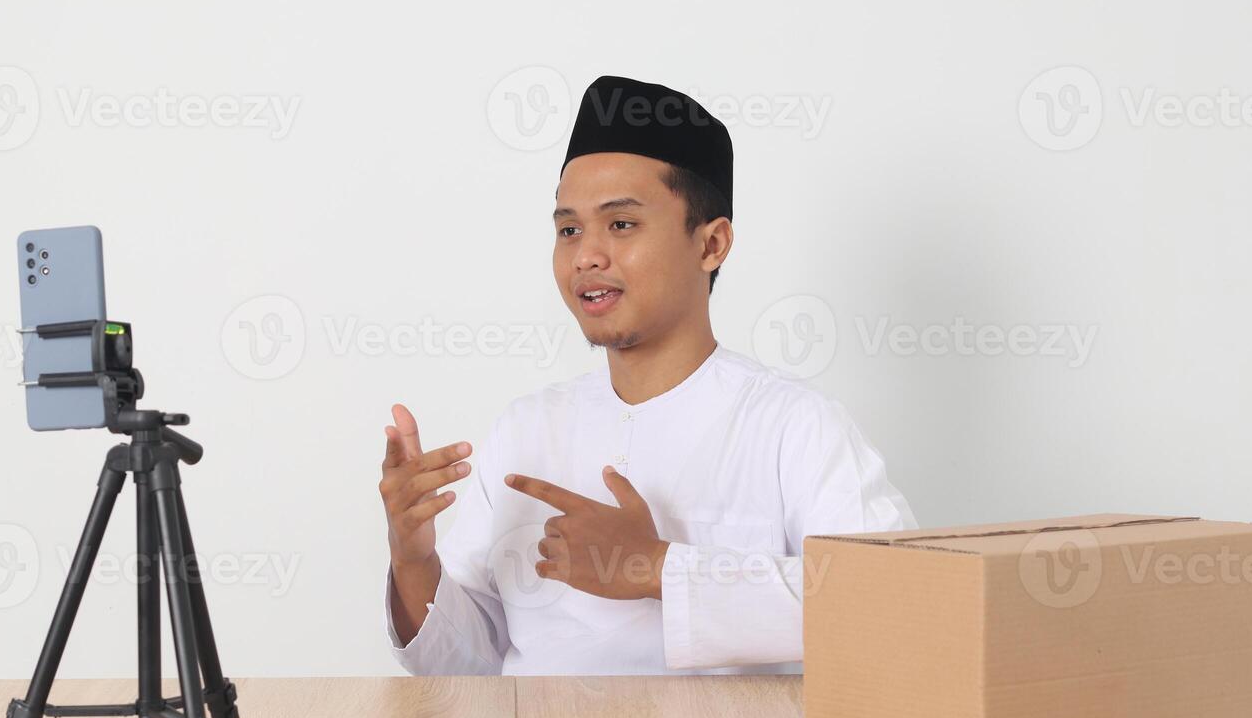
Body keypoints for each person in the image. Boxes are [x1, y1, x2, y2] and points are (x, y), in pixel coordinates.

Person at [380, 75, 915, 675]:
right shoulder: (525, 430)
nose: (586, 255)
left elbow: (894, 607)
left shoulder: (795, 426)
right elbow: (465, 670)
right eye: (568, 229)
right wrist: (413, 555)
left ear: (711, 244)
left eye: (622, 224)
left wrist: (656, 568)